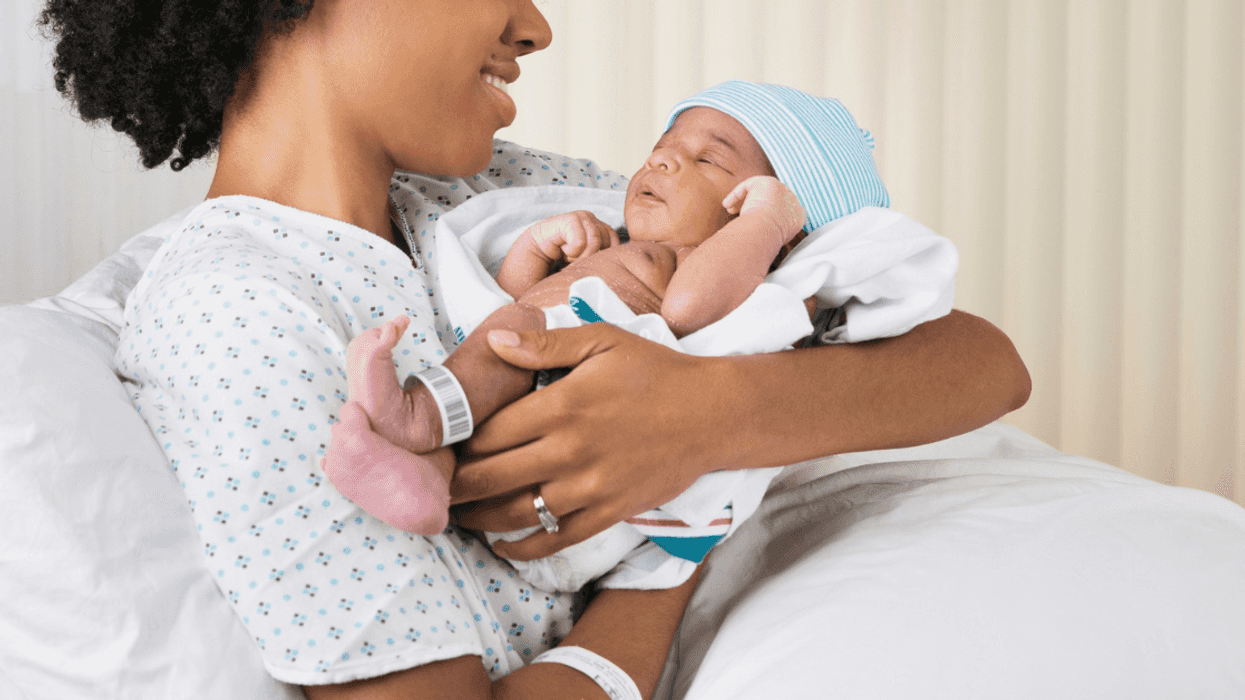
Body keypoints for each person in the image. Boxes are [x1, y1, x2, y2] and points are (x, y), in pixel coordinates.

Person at [40, 1, 1030, 698]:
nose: (536, 24)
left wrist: (709, 419)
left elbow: (984, 363)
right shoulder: (239, 317)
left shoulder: (501, 191)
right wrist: (675, 555)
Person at [331, 81, 958, 593]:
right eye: (664, 145)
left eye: (708, 159)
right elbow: (511, 297)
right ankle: (424, 480)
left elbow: (688, 311)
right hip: (523, 423)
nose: (662, 159)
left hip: (578, 442)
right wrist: (534, 248)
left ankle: (417, 415)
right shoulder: (624, 243)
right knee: (512, 335)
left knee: (516, 338)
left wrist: (764, 225)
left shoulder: (715, 272)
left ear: (772, 220)